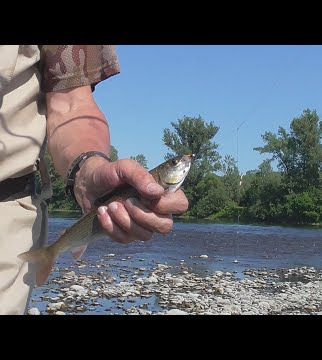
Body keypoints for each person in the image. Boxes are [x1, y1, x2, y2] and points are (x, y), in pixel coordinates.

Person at [0, 45, 189, 315]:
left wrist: (86, 168)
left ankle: (50, 253)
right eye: (174, 163)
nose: (180, 164)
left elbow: (71, 104)